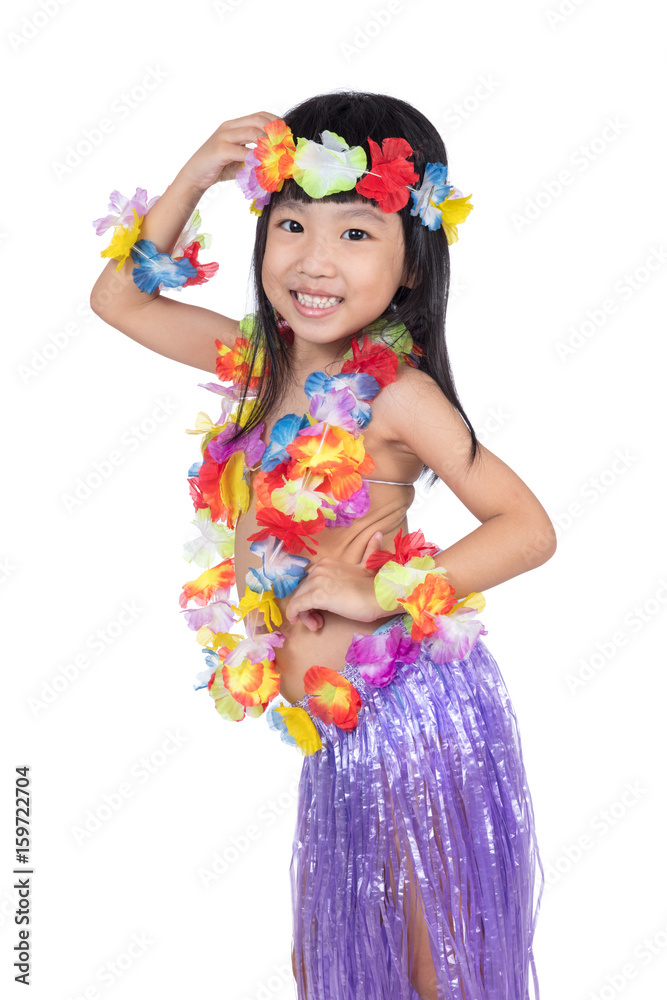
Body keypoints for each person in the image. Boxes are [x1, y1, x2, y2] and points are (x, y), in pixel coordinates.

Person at [90, 90, 556, 1000]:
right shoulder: (257, 368)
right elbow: (119, 300)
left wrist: (383, 591)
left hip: (413, 718)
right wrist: (197, 174)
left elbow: (527, 527)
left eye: (354, 234)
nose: (312, 259)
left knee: (432, 969)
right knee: (334, 967)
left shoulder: (396, 395)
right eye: (290, 223)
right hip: (336, 735)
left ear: (412, 266)